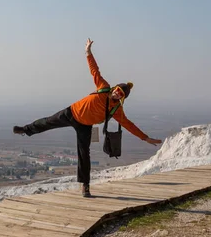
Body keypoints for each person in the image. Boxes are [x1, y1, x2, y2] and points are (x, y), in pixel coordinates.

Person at [13, 38, 162, 197]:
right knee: (48, 121)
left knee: (84, 154)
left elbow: (128, 124)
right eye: (118, 90)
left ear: (122, 98)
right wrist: (88, 52)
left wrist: (145, 138)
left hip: (85, 126)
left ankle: (85, 186)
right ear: (115, 88)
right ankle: (26, 129)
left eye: (121, 94)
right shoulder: (104, 88)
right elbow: (95, 70)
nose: (117, 93)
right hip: (71, 112)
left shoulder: (117, 109)